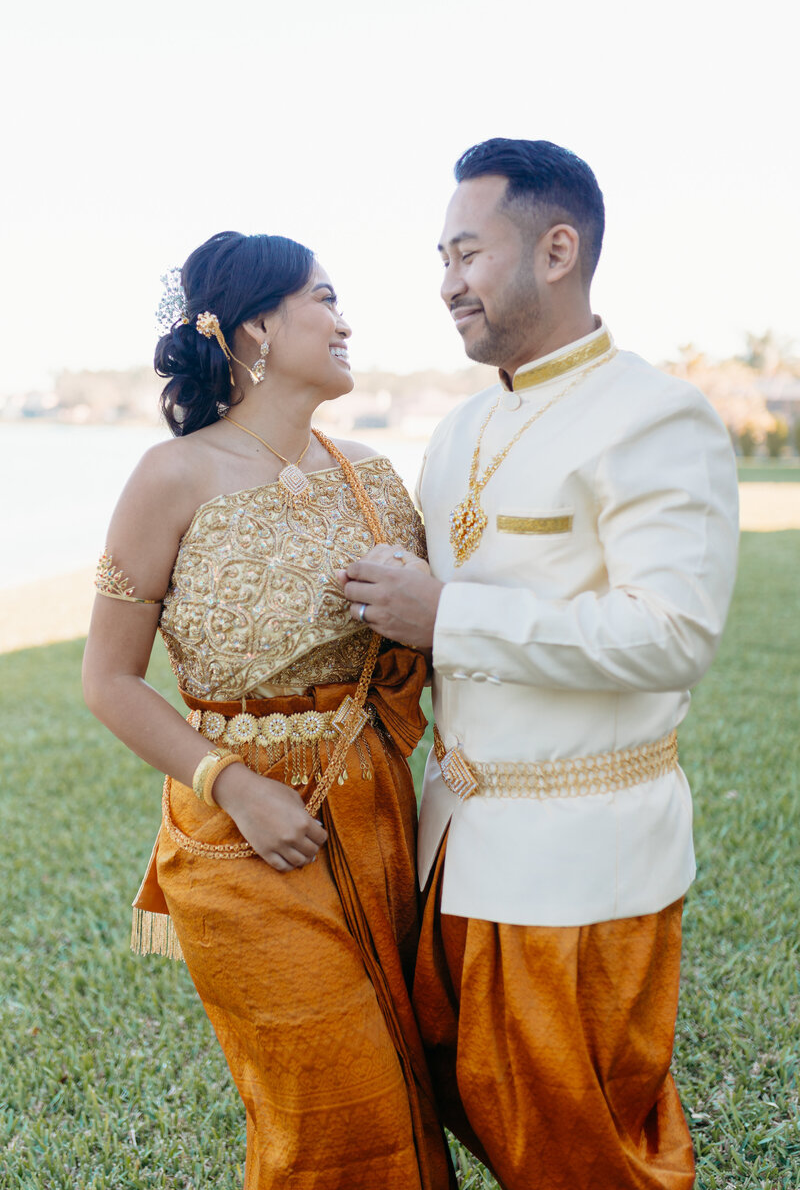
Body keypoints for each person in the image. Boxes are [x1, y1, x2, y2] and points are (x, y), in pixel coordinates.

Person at [339, 140, 739, 1189]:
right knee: (478, 1122)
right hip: (446, 855)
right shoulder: (459, 425)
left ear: (556, 248)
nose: (445, 284)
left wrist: (450, 616)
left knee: (586, 1157)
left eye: (466, 253)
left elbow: (671, 634)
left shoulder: (657, 416)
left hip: (582, 866)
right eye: (439, 256)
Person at [82, 230, 454, 1190]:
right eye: (324, 299)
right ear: (255, 326)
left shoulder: (373, 477)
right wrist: (233, 784)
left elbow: (427, 646)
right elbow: (109, 680)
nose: (345, 320)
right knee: (331, 1098)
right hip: (239, 833)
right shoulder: (172, 478)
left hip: (378, 815)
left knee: (405, 1082)